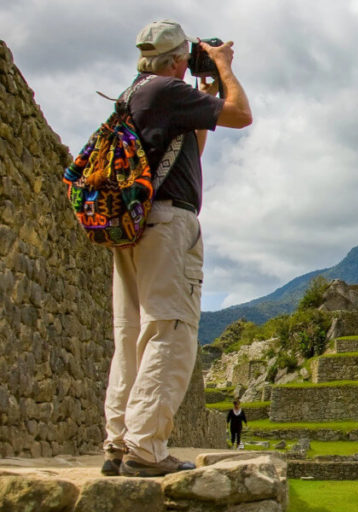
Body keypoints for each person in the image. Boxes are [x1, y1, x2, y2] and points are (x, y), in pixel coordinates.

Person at [101, 19, 252, 478]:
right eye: (189, 56)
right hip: (167, 224)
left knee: (131, 337)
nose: (193, 61)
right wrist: (224, 69)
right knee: (170, 330)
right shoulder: (166, 91)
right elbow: (241, 114)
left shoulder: (137, 94)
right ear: (174, 60)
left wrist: (204, 92)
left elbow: (193, 151)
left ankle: (120, 443)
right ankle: (146, 449)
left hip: (136, 224)